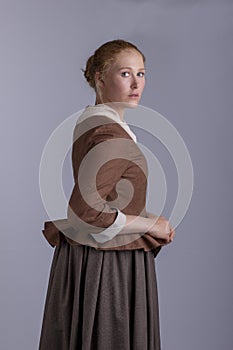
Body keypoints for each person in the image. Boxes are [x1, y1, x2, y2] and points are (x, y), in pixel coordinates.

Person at [39, 39, 175, 350]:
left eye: (141, 73)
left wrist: (150, 218)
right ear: (100, 78)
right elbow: (86, 212)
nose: (136, 83)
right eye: (125, 73)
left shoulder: (96, 123)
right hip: (108, 264)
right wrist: (148, 226)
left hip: (94, 257)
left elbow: (108, 197)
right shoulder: (108, 132)